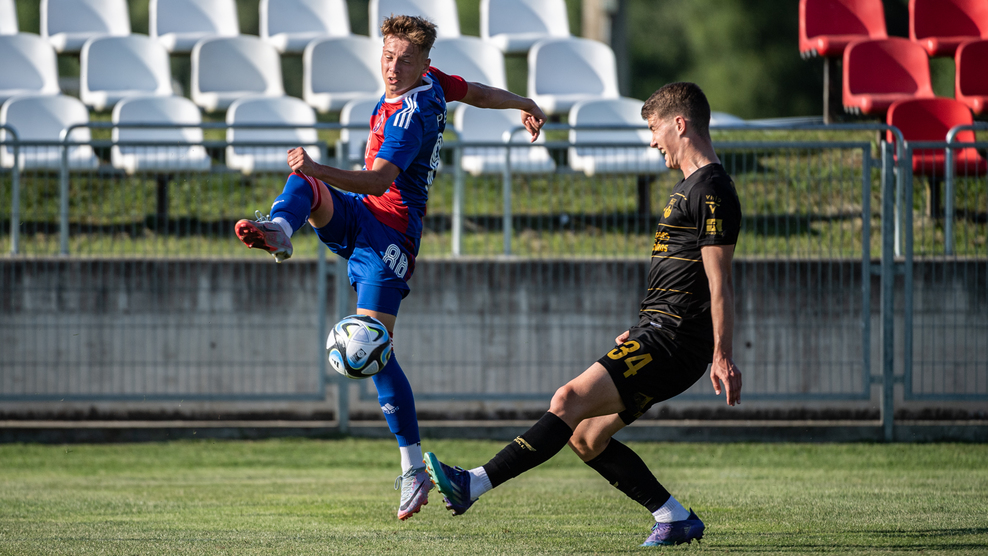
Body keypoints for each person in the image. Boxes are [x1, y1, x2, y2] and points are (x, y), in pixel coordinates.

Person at [234, 15, 546, 521]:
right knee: (305, 189)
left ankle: (412, 468)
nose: (393, 68)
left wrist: (317, 165)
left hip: (391, 237)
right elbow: (477, 92)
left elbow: (379, 181)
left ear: (423, 63)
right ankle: (281, 230)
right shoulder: (435, 81)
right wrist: (524, 103)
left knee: (372, 347)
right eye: (387, 56)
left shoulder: (410, 117)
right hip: (363, 215)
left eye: (404, 60)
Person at [423, 82, 742, 547]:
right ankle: (673, 517)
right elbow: (683, 279)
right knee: (587, 437)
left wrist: (722, 355)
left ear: (680, 124)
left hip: (674, 341)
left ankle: (472, 484)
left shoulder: (711, 189)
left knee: (567, 399)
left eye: (654, 129)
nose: (652, 141)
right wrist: (641, 329)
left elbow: (720, 281)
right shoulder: (690, 186)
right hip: (658, 334)